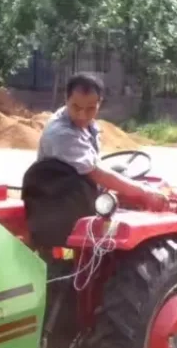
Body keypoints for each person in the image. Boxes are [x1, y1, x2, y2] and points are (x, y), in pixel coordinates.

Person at [22, 72, 168, 249]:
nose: (82, 115)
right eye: (76, 107)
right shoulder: (61, 133)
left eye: (90, 109)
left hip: (77, 194)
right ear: (66, 99)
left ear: (100, 103)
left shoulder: (88, 126)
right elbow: (95, 172)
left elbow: (95, 167)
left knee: (120, 174)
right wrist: (145, 192)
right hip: (60, 202)